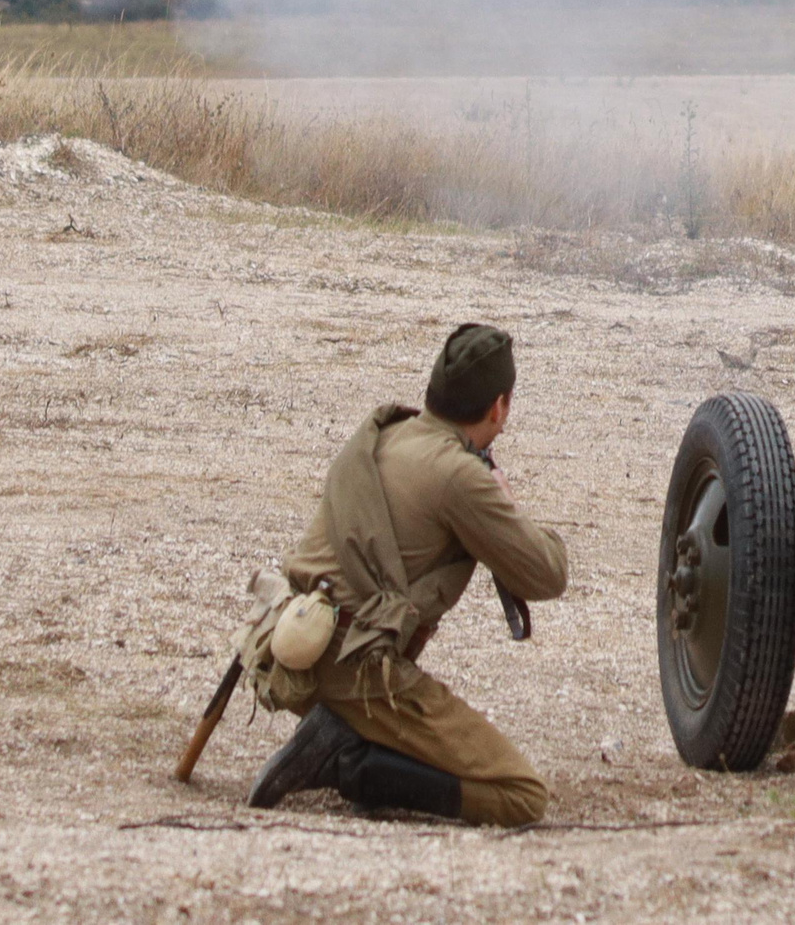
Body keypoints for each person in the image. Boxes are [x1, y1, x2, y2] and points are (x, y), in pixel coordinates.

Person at [241, 324, 568, 824]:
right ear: (499, 407)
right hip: (355, 666)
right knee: (522, 795)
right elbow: (547, 575)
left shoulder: (387, 432)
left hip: (292, 635)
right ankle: (353, 765)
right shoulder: (461, 477)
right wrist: (504, 501)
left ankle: (352, 734)